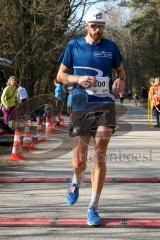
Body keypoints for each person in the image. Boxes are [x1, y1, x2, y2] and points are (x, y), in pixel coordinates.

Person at [57, 8, 126, 226]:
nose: (98, 31)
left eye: (101, 27)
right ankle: (76, 180)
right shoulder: (73, 45)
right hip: (80, 104)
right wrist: (77, 79)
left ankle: (93, 206)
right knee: (79, 160)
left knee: (100, 154)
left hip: (104, 104)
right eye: (94, 26)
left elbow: (121, 72)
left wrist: (120, 80)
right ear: (86, 26)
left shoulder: (110, 47)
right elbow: (60, 76)